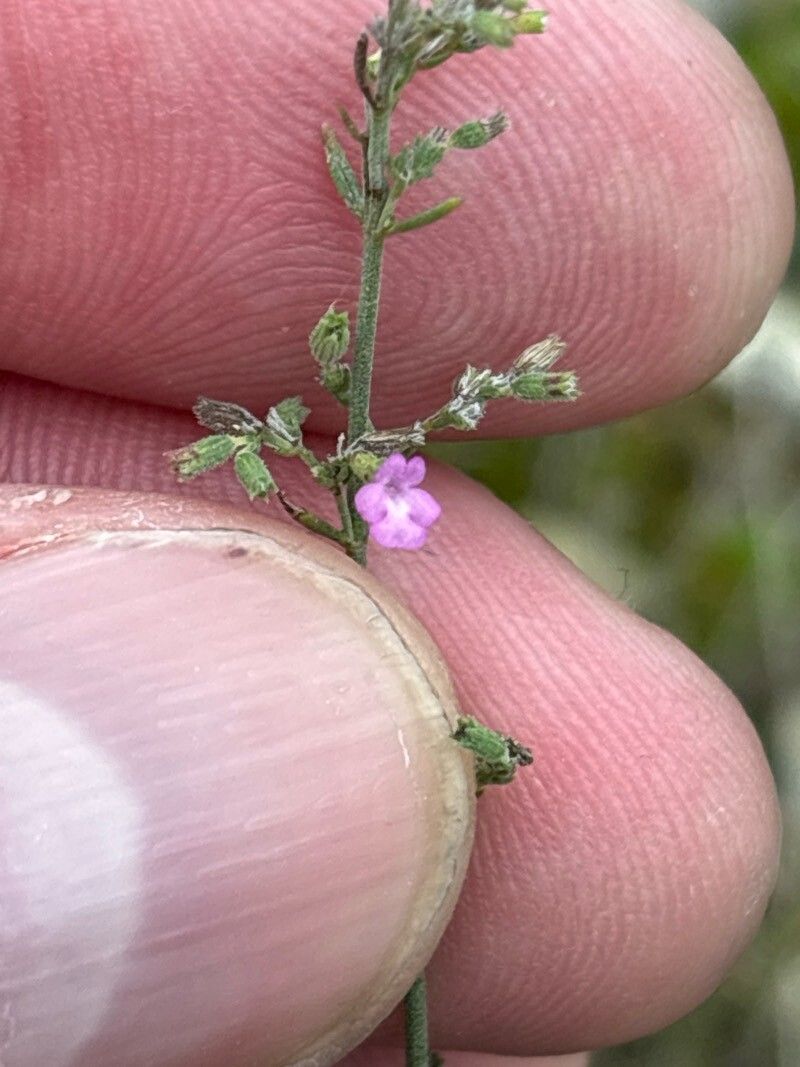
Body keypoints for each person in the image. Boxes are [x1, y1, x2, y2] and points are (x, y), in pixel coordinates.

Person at [0, 0, 794, 1064]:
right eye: (388, 496)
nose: (392, 503)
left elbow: (390, 481)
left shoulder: (385, 481)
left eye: (391, 495)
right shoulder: (369, 476)